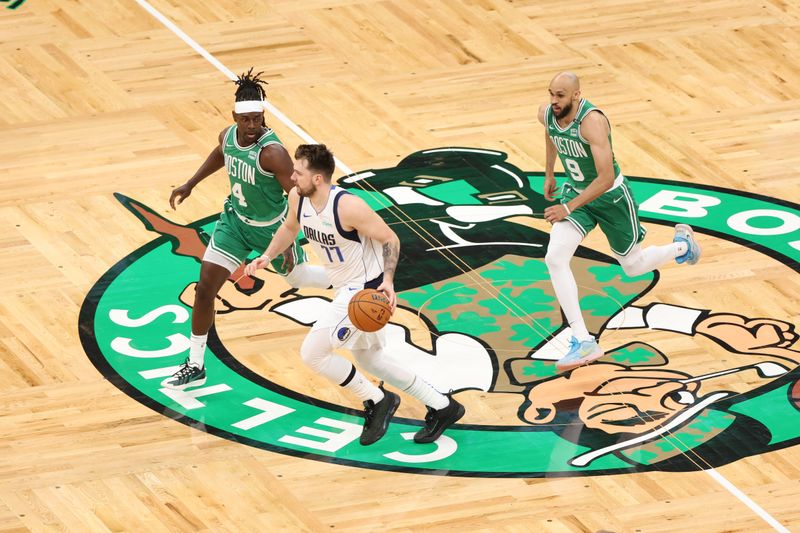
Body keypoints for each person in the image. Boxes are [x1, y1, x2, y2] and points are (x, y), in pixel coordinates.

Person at [245, 144, 465, 445]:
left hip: (364, 291)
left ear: (319, 179)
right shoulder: (299, 197)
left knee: (313, 353)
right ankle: (443, 406)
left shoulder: (348, 207)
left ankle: (377, 400)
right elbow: (289, 227)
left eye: (299, 172)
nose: (293, 177)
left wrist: (388, 280)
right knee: (370, 358)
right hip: (342, 282)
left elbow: (391, 238)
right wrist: (268, 256)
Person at [162, 69, 330, 389]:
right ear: (235, 118)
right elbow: (222, 153)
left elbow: (296, 198)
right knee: (204, 289)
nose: (253, 126)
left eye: (258, 119)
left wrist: (297, 236)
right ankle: (195, 363)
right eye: (247, 120)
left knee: (300, 278)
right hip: (235, 223)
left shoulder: (273, 153)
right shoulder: (229, 135)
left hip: (272, 230)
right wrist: (191, 183)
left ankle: (352, 279)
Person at [538, 72, 701, 371]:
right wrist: (549, 173)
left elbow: (605, 178)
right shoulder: (547, 114)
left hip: (611, 198)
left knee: (633, 266)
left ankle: (682, 247)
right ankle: (583, 339)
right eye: (551, 93)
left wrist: (567, 208)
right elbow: (550, 136)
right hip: (577, 193)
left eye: (560, 95)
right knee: (555, 257)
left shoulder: (593, 122)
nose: (553, 100)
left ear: (576, 95)